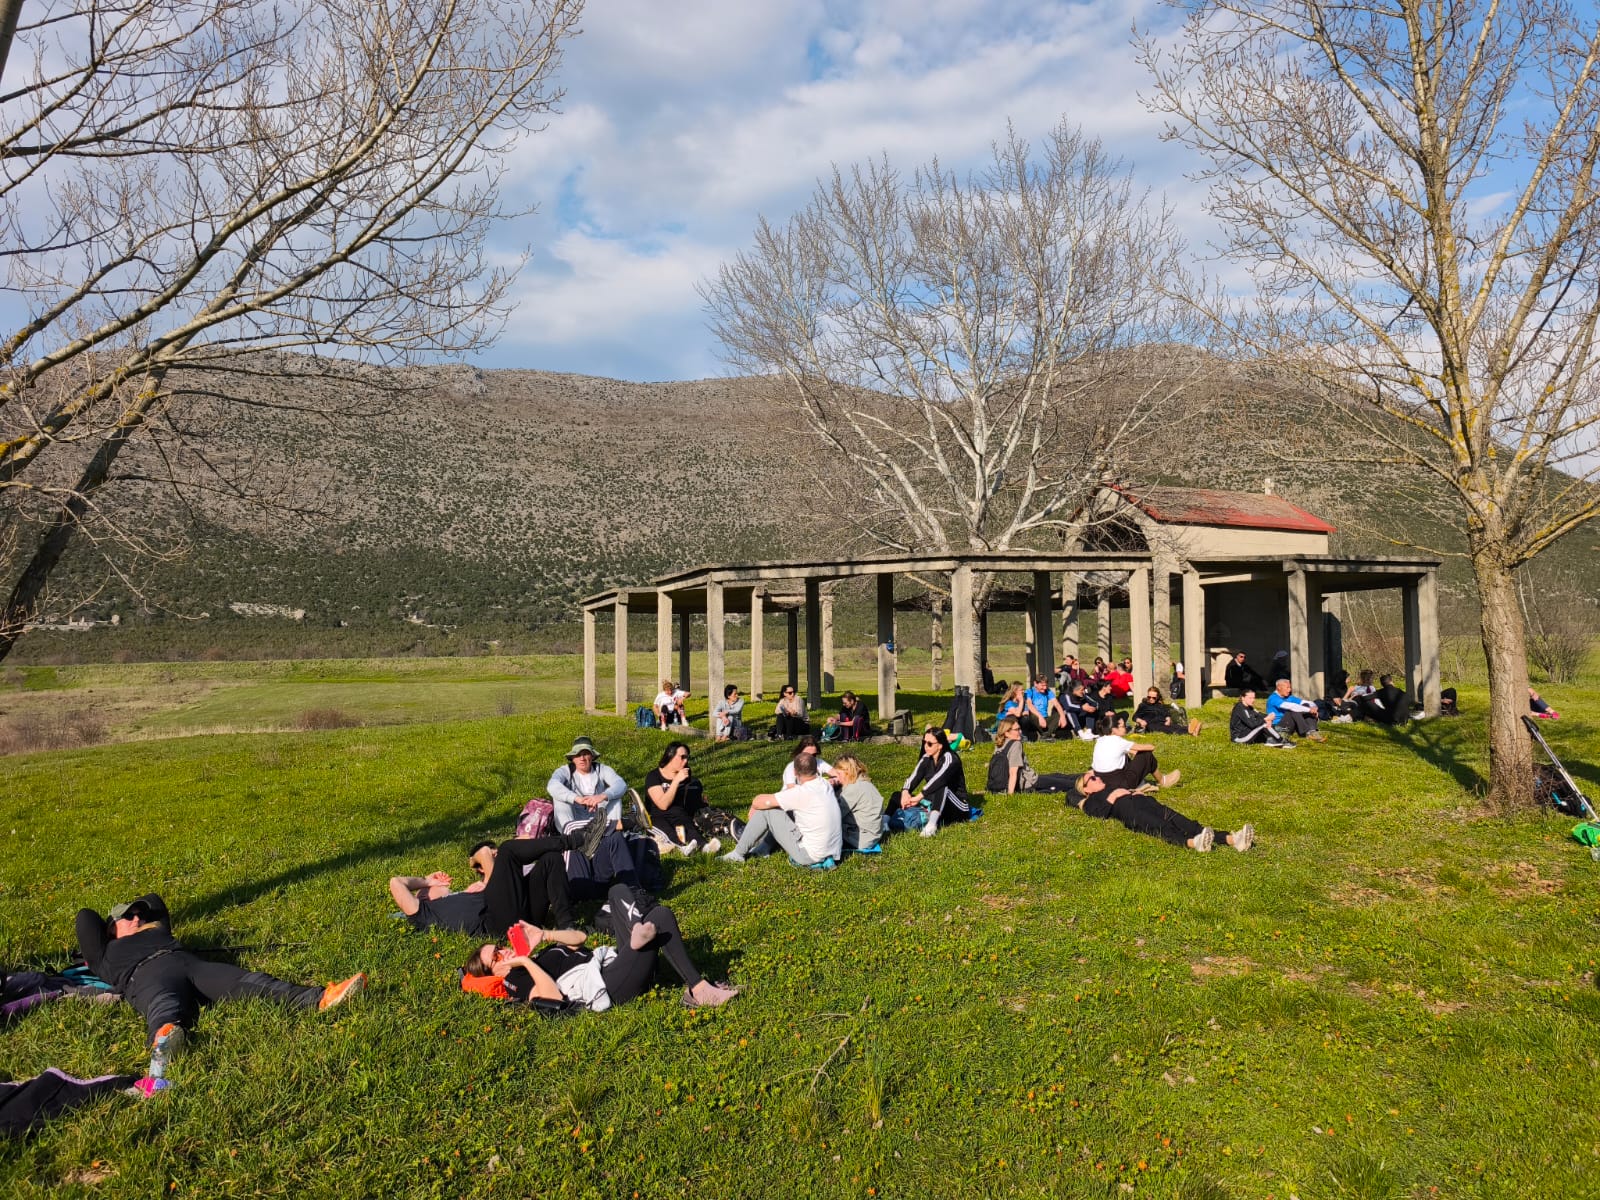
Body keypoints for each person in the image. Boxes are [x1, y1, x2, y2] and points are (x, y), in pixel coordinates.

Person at [75, 893, 366, 1057]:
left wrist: (136, 915)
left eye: (139, 914)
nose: (137, 918)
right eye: (128, 916)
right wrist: (112, 926)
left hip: (191, 965)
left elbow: (155, 901)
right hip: (147, 977)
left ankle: (321, 998)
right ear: (109, 928)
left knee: (250, 982)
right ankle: (163, 1043)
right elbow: (85, 917)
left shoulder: (158, 931)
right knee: (164, 1006)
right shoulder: (104, 955)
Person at [462, 885, 739, 1011]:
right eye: (496, 957)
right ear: (494, 972)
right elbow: (553, 999)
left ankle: (637, 932)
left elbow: (580, 937)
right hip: (609, 985)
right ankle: (698, 989)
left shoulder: (539, 956)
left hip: (613, 963)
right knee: (661, 916)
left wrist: (544, 935)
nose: (504, 952)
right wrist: (525, 963)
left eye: (500, 947)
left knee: (617, 891)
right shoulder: (516, 980)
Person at [1065, 771, 1255, 853]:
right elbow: (1098, 813)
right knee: (1162, 827)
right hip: (1133, 813)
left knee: (1189, 824)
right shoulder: (1092, 800)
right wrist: (1112, 798)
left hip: (1146, 803)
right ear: (1086, 789)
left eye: (1096, 775)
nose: (1097, 777)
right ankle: (1193, 844)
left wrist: (1135, 792)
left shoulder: (1110, 787)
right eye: (1092, 778)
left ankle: (1232, 839)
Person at [723, 751, 843, 868]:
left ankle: (738, 854)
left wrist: (755, 806)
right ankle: (763, 848)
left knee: (768, 810)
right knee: (779, 807)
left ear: (795, 772)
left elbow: (757, 802)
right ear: (816, 769)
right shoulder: (825, 785)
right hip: (833, 851)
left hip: (810, 856)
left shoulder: (801, 793)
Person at [642, 742, 728, 856]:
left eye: (687, 757)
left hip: (679, 815)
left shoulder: (686, 777)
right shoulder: (654, 776)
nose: (685, 761)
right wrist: (676, 781)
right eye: (682, 757)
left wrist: (701, 804)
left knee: (689, 828)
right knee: (667, 831)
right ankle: (682, 848)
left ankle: (705, 847)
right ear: (670, 755)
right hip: (657, 816)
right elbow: (663, 805)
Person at [890, 727, 975, 838]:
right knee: (897, 795)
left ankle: (931, 825)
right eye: (924, 742)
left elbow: (939, 780)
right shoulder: (926, 758)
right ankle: (885, 823)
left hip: (958, 807)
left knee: (941, 787)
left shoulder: (950, 758)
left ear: (940, 745)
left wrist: (918, 797)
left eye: (929, 744)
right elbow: (913, 777)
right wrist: (905, 792)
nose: (925, 746)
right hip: (934, 803)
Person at [547, 737, 626, 836]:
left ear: (592, 756)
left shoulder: (602, 769)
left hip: (600, 818)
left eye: (585, 754)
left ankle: (610, 834)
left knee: (615, 797)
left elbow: (621, 784)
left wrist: (602, 796)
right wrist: (577, 798)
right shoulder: (565, 771)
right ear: (573, 758)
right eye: (578, 755)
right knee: (559, 798)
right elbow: (552, 785)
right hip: (574, 820)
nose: (582, 758)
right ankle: (570, 837)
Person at [1092, 712, 1180, 792]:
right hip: (1120, 785)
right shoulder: (1119, 741)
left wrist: (1133, 752)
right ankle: (1163, 780)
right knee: (1146, 754)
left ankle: (1140, 781)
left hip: (1102, 782)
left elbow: (1129, 751)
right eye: (1123, 726)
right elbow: (1150, 748)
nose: (1125, 728)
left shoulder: (1100, 740)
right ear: (1114, 729)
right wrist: (1146, 748)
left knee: (1127, 756)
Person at [986, 716, 1077, 794]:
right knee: (1065, 783)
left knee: (1057, 775)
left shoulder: (999, 745)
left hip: (1002, 784)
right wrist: (1010, 795)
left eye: (1019, 729)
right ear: (1006, 732)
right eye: (1017, 730)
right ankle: (1082, 782)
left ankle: (1082, 777)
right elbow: (1013, 771)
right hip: (1030, 783)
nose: (1020, 732)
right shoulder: (1015, 744)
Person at [831, 754, 886, 852]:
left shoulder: (853, 789)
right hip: (872, 835)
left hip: (860, 838)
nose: (837, 778)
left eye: (838, 774)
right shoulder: (864, 783)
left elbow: (835, 815)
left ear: (847, 772)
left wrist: (829, 790)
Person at [1133, 686, 1201, 736]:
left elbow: (1166, 714)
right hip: (1151, 724)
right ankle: (1190, 731)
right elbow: (1135, 717)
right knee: (1167, 729)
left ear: (1157, 697)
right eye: (1149, 697)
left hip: (1163, 722)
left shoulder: (1160, 705)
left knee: (1175, 726)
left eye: (1153, 698)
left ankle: (1191, 729)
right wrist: (1141, 721)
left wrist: (1168, 719)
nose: (1151, 699)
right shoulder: (1143, 705)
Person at [1024, 673, 1070, 739]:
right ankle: (1047, 734)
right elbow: (1029, 705)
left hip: (1045, 718)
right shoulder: (1029, 691)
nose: (1045, 688)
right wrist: (1040, 717)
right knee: (1032, 715)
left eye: (1046, 685)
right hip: (1035, 718)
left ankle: (1045, 735)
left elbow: (1057, 704)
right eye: (1042, 686)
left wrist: (1062, 717)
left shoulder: (1048, 691)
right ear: (1035, 683)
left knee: (1059, 714)